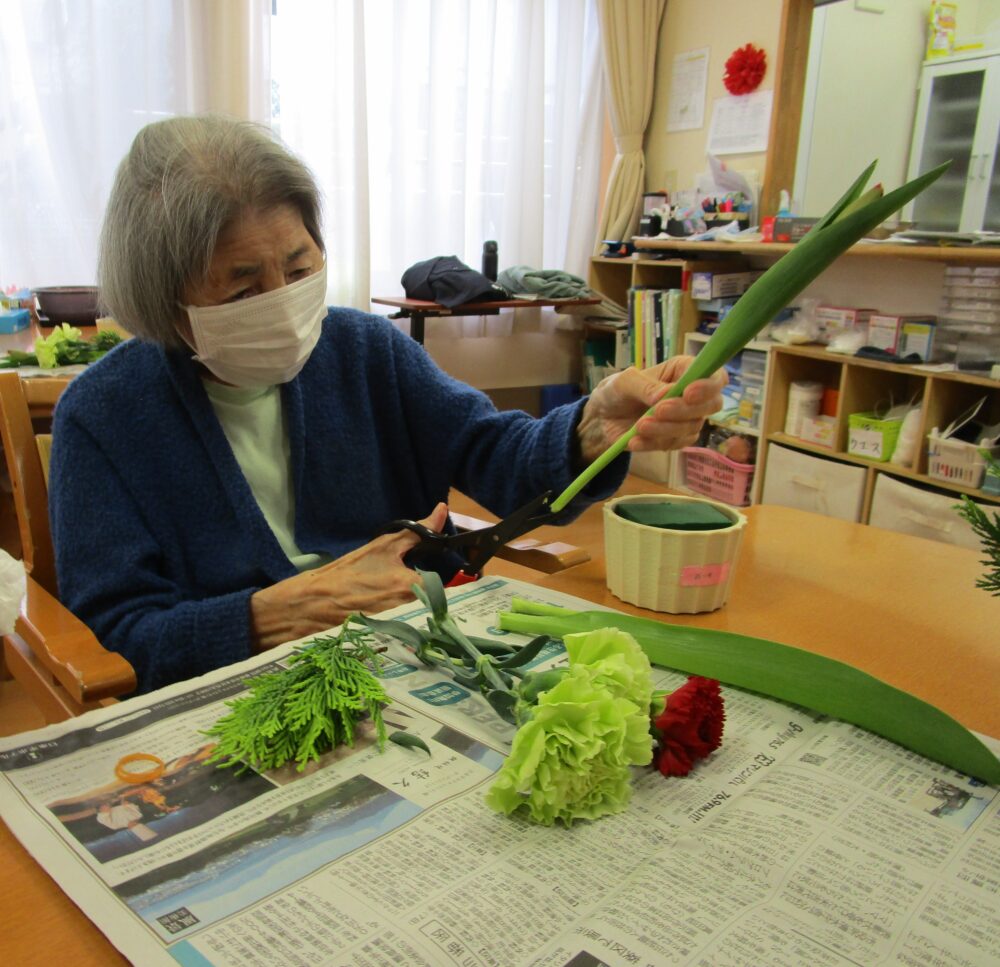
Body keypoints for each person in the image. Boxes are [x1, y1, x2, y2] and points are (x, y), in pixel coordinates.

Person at [49, 115, 725, 695]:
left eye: (300, 267)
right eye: (241, 289)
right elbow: (118, 633)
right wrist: (281, 611)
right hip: (237, 693)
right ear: (165, 301)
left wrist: (587, 429)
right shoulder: (102, 417)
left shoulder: (366, 350)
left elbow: (492, 453)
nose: (283, 302)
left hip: (408, 663)